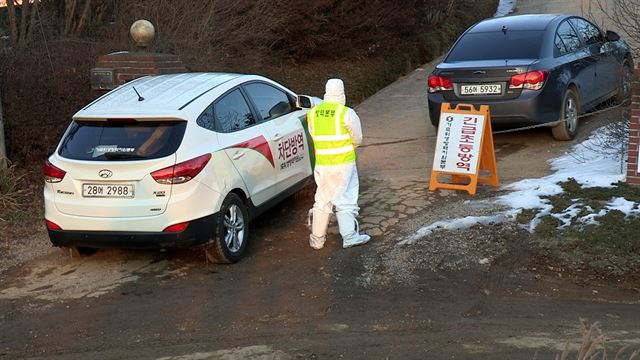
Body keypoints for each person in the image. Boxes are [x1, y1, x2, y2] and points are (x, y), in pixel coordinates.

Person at [307, 78, 370, 250]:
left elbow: (314, 136)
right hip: (343, 164)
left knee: (322, 199)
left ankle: (317, 239)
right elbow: (357, 138)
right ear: (342, 92)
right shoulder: (346, 113)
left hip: (322, 164)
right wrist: (348, 147)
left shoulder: (313, 113)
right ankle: (349, 236)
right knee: (346, 198)